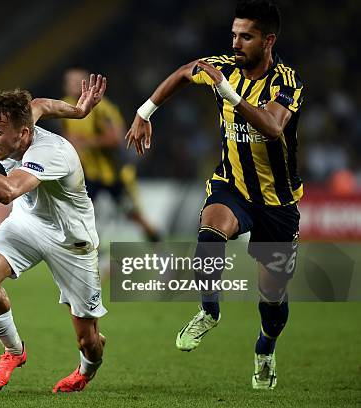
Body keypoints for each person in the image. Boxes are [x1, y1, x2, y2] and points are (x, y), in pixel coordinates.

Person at [126, 0, 302, 390]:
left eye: (246, 36)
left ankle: (265, 348)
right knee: (210, 231)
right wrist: (145, 111)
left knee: (272, 298)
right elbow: (183, 73)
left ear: (268, 40)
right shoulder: (223, 67)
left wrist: (229, 95)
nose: (236, 42)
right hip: (232, 186)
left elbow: (272, 128)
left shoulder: (286, 82)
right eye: (234, 34)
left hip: (278, 203)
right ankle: (209, 311)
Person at [0, 74, 108, 393]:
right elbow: (40, 105)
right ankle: (14, 351)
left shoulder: (50, 152)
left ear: (23, 133)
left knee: (88, 340)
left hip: (71, 241)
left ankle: (86, 369)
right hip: (28, 223)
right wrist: (78, 111)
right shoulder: (25, 118)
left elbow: (8, 191)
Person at [62, 68, 161, 242]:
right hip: (90, 175)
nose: (70, 85)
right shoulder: (66, 107)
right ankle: (95, 258)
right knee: (79, 218)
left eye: (76, 81)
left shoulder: (102, 108)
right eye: (68, 82)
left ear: (87, 85)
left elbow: (116, 139)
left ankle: (163, 253)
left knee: (136, 217)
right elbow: (69, 137)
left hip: (115, 175)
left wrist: (87, 142)